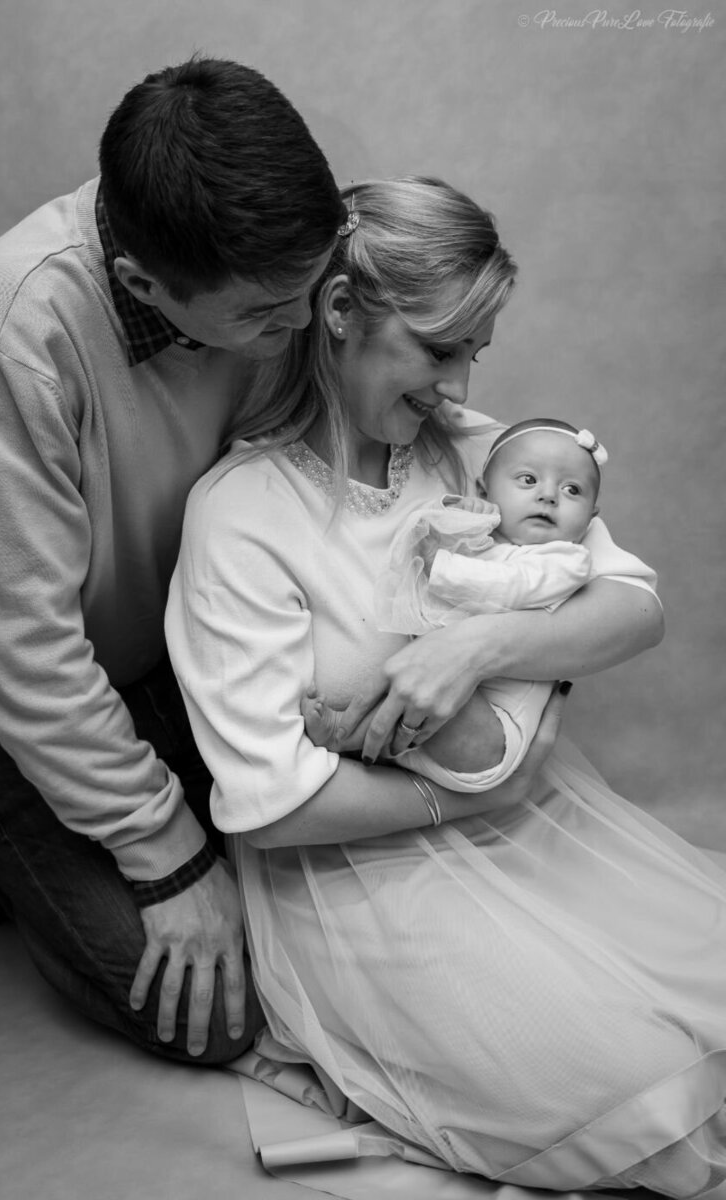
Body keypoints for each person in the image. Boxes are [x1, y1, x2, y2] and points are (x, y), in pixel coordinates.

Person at [167, 177, 726, 1195]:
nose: (461, 384)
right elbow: (269, 807)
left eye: (474, 350)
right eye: (438, 349)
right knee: (630, 1084)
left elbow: (634, 606)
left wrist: (475, 650)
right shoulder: (239, 518)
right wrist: (472, 788)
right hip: (354, 881)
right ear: (339, 316)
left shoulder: (469, 452)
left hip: (536, 823)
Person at [0, 53, 345, 1064]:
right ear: (139, 282)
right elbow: (24, 652)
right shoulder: (13, 329)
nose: (300, 331)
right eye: (260, 317)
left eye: (310, 292)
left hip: (164, 654)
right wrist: (164, 856)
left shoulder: (279, 267)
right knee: (221, 1015)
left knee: (338, 913)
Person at [307, 416, 656, 793]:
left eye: (572, 490)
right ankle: (346, 735)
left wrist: (440, 565)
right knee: (403, 700)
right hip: (447, 722)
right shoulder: (487, 541)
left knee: (422, 701)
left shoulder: (566, 561)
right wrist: (456, 524)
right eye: (528, 480)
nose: (549, 495)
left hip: (496, 730)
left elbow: (511, 588)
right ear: (484, 490)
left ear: (591, 518)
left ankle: (346, 735)